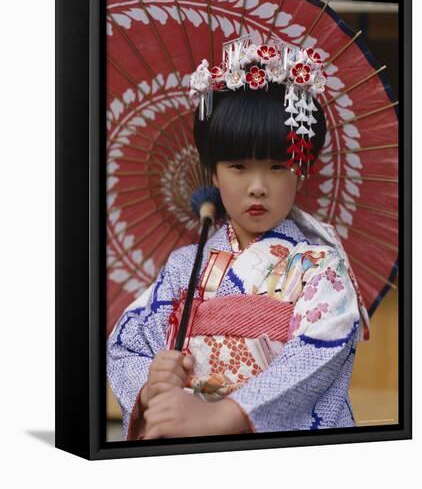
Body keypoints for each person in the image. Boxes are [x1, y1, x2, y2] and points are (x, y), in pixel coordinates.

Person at [107, 37, 370, 441]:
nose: (258, 187)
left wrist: (223, 416)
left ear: (300, 169)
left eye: (278, 166)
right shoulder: (183, 266)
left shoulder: (320, 267)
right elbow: (126, 345)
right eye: (238, 166)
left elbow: (317, 354)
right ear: (212, 172)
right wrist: (152, 382)